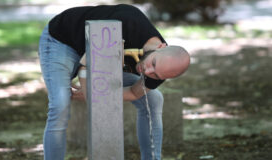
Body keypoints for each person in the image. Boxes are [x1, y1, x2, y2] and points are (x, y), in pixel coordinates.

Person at [38, 4, 190, 160]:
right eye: (153, 64)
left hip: (101, 59)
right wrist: (90, 92)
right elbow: (85, 67)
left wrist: (101, 93)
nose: (148, 72)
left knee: (153, 99)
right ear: (161, 47)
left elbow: (133, 92)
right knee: (60, 104)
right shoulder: (128, 23)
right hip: (62, 40)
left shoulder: (161, 70)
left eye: (156, 75)